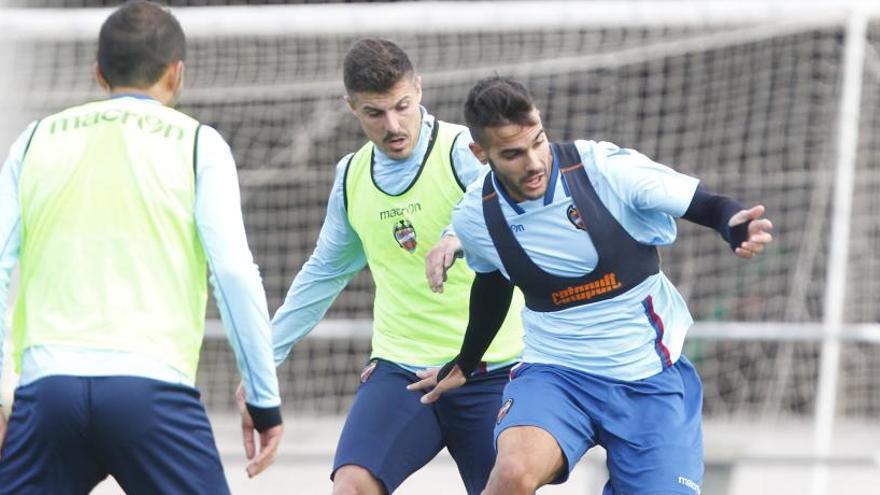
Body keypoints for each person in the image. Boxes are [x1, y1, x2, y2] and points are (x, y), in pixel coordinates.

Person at [411, 76, 774, 495]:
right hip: (557, 374)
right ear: (481, 153)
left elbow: (703, 203)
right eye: (512, 154)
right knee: (511, 475)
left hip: (647, 377)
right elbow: (492, 284)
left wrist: (733, 225)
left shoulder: (604, 169)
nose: (533, 163)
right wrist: (466, 361)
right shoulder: (475, 215)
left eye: (537, 142)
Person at [0, 2, 283, 493]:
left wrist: (4, 395)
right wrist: (262, 399)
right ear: (177, 73)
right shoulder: (199, 144)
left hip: (48, 393)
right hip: (151, 392)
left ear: (98, 73)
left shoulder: (35, 139)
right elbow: (234, 273)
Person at [271, 39, 523, 495]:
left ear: (419, 90)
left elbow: (506, 215)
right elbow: (322, 275)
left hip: (493, 368)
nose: (392, 125)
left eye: (401, 107)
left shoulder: (465, 150)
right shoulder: (351, 176)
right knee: (352, 485)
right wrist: (263, 358)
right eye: (374, 113)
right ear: (351, 108)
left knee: (509, 486)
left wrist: (455, 236)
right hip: (403, 371)